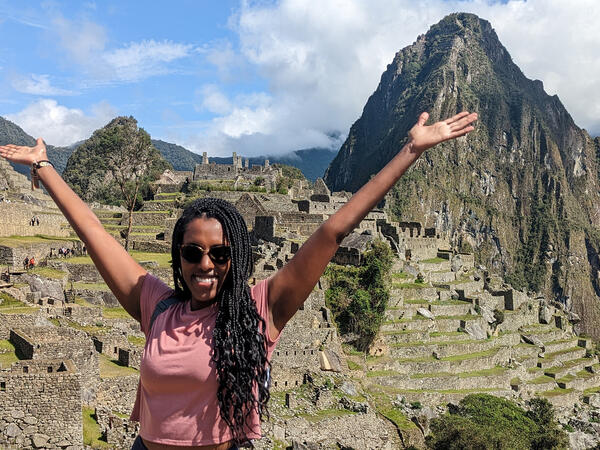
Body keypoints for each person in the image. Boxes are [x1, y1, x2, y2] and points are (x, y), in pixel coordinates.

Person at [0, 111, 477, 449]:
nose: (205, 264)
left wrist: (411, 149)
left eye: (220, 253)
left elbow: (332, 231)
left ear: (237, 258)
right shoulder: (156, 306)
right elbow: (94, 232)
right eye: (192, 251)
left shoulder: (259, 311)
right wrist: (44, 165)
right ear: (178, 256)